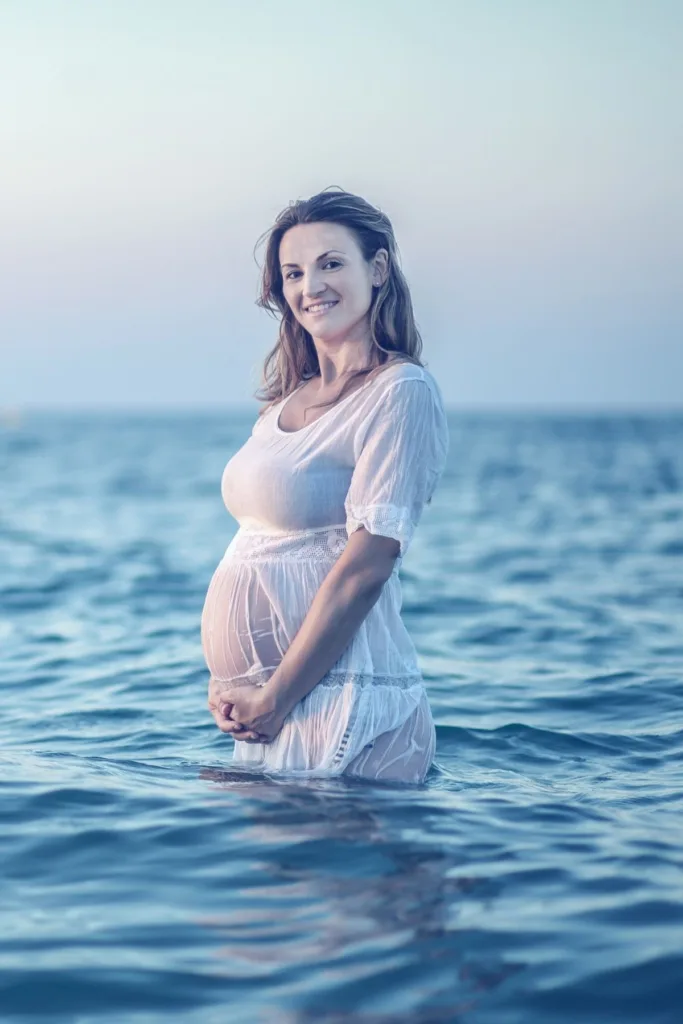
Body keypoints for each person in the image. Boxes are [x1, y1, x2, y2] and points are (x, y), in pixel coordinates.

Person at [202, 187, 449, 783]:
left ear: (379, 269)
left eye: (331, 263)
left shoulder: (399, 391)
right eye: (293, 272)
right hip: (274, 710)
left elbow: (368, 564)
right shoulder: (282, 404)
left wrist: (276, 695)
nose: (310, 286)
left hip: (351, 705)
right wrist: (232, 683)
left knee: (353, 878)